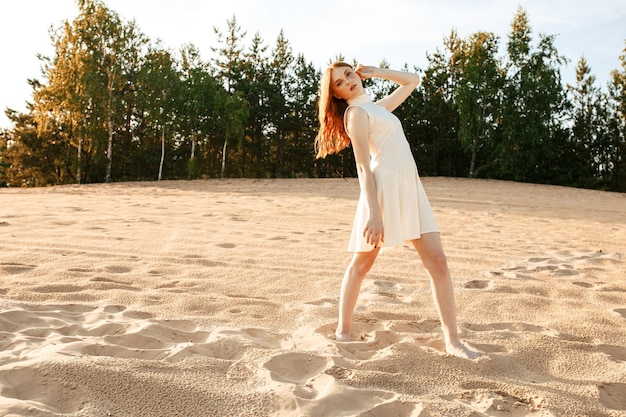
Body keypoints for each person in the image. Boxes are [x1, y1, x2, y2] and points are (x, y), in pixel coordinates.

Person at [315, 62, 480, 360]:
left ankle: (452, 341)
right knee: (362, 265)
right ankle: (343, 330)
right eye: (340, 82)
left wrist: (377, 71)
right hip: (382, 194)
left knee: (438, 263)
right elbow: (363, 167)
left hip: (410, 190)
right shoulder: (356, 114)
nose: (348, 81)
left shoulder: (378, 107)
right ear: (337, 94)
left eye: (349, 74)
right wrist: (374, 214)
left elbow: (412, 81)